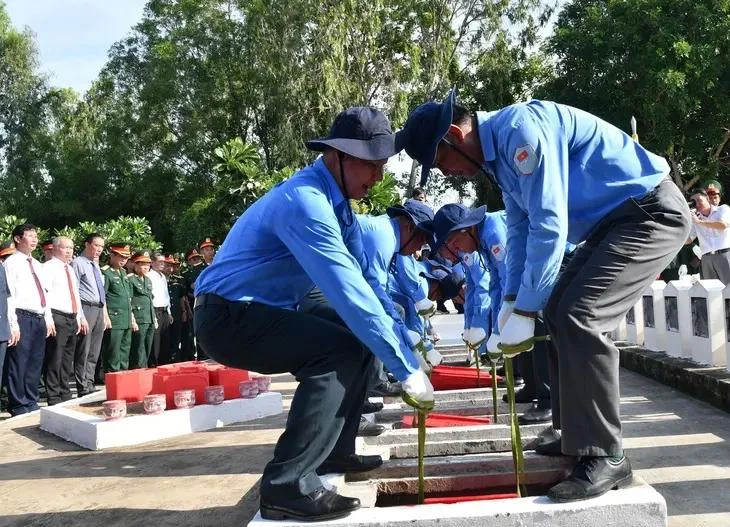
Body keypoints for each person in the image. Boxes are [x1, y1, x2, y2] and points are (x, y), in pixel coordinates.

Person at [399, 88, 691, 501]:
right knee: (555, 311)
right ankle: (575, 433)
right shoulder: (499, 159)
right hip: (612, 223)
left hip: (649, 213)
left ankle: (605, 453)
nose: (446, 173)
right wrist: (512, 302)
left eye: (440, 160)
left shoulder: (520, 131)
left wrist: (525, 306)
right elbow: (520, 230)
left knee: (580, 315)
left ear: (454, 134)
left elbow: (550, 224)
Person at [194, 107, 433, 522]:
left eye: (382, 166)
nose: (377, 178)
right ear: (339, 155)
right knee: (336, 351)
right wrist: (406, 367)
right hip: (228, 315)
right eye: (371, 166)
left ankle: (335, 452)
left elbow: (369, 284)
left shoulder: (338, 205)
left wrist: (401, 339)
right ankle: (286, 486)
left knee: (357, 342)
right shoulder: (305, 202)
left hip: (257, 311)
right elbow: (348, 291)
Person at [3, 223, 54, 415]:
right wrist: (12, 323)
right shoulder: (12, 263)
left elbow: (45, 294)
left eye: (36, 236)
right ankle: (18, 404)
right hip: (21, 316)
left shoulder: (38, 265)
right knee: (19, 361)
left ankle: (31, 401)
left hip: (39, 317)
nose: (34, 239)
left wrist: (47, 318)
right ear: (17, 239)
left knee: (35, 361)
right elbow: (9, 295)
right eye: (30, 235)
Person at [43, 237, 85, 405]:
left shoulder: (69, 268)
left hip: (71, 316)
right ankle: (53, 394)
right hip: (57, 315)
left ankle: (64, 390)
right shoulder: (47, 268)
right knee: (55, 356)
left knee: (68, 357)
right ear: (54, 248)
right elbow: (45, 295)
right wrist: (48, 318)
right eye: (65, 248)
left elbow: (75, 294)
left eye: (71, 248)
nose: (69, 251)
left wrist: (80, 316)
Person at [71, 233, 110, 396]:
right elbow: (74, 289)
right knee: (84, 348)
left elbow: (101, 292)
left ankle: (90, 381)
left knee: (95, 349)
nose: (99, 249)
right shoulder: (78, 263)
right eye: (96, 245)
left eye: (101, 246)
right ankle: (82, 385)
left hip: (99, 308)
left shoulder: (96, 266)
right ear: (87, 244)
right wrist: (79, 315)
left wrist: (105, 314)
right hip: (85, 308)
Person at [101, 243, 136, 374]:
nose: (123, 260)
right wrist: (105, 317)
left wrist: (132, 319)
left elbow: (129, 299)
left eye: (126, 257)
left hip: (126, 318)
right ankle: (112, 376)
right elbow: (102, 297)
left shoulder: (124, 273)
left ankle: (123, 376)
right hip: (114, 318)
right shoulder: (106, 272)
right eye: (120, 256)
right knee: (113, 350)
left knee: (124, 350)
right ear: (112, 255)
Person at [686, 188, 730, 284]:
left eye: (699, 200)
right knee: (711, 292)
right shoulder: (695, 218)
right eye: (694, 202)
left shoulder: (723, 209)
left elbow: (723, 225)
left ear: (707, 198)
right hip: (706, 259)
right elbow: (688, 240)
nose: (697, 204)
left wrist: (699, 222)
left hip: (724, 255)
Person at [129, 251, 156, 369]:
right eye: (142, 264)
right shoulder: (130, 279)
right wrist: (132, 319)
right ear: (135, 265)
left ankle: (144, 367)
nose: (145, 267)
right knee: (138, 346)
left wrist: (154, 318)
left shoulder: (148, 280)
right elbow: (128, 300)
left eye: (147, 265)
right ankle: (138, 368)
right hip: (139, 317)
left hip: (149, 317)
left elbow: (150, 299)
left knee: (147, 345)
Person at [147, 252, 173, 367]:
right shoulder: (149, 276)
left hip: (164, 310)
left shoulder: (163, 276)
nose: (163, 264)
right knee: (155, 340)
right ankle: (154, 364)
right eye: (160, 262)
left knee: (165, 338)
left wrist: (169, 312)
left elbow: (166, 295)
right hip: (155, 309)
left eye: (164, 262)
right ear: (152, 263)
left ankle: (164, 363)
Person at [163, 254, 185, 364]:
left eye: (171, 266)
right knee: (165, 338)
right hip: (164, 313)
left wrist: (185, 311)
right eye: (167, 265)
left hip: (177, 312)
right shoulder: (159, 279)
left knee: (176, 337)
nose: (170, 268)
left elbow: (182, 297)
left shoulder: (178, 280)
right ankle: (165, 360)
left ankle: (175, 359)